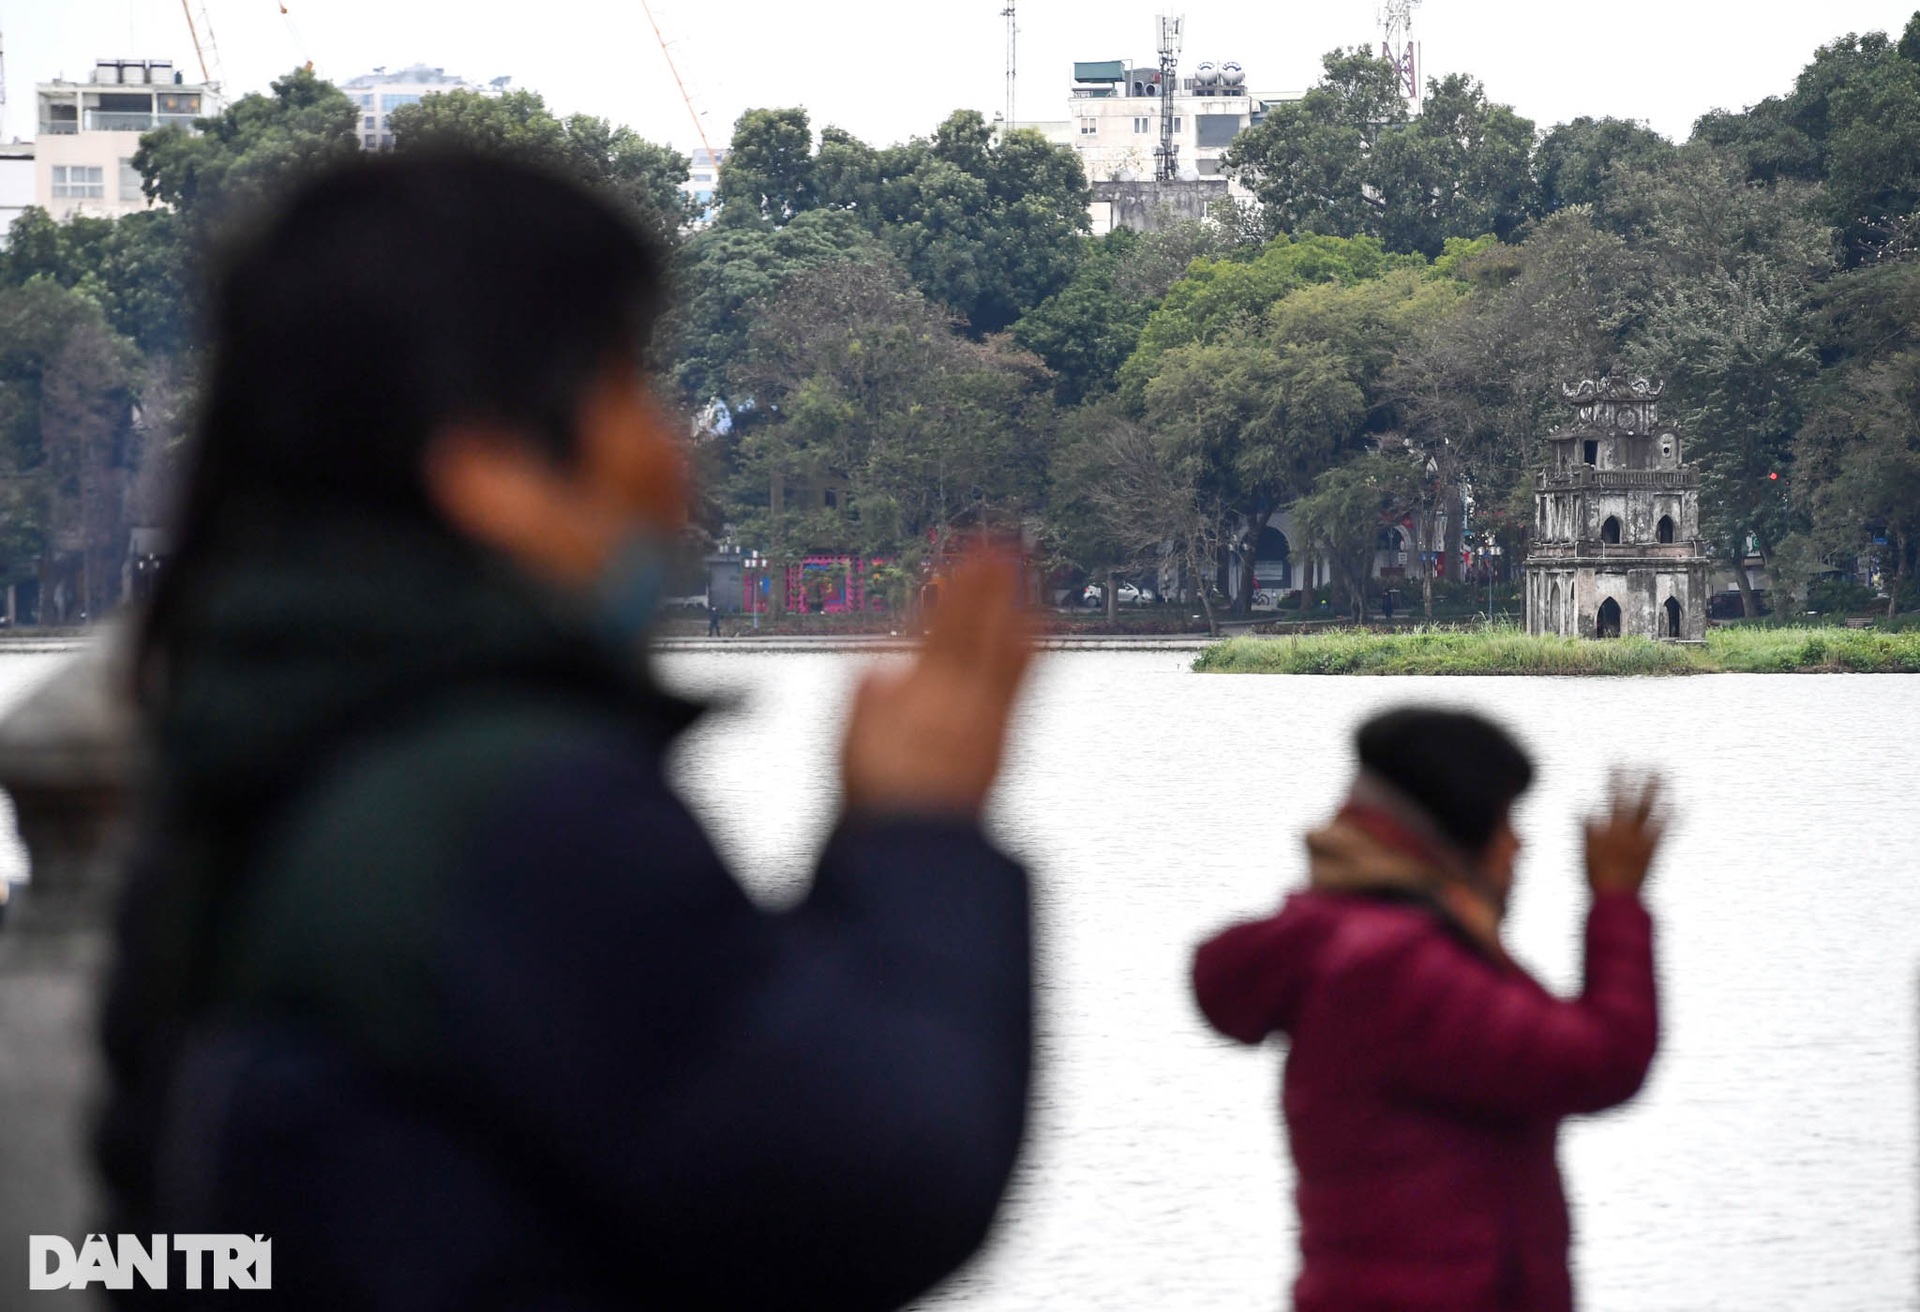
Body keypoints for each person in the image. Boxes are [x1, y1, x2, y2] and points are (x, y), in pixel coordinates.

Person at [96, 154, 1036, 1309]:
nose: (674, 461)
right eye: (628, 385)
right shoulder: (505, 806)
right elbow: (870, 1181)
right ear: (493, 468)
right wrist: (921, 835)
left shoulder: (272, 751)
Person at [1191, 708, 1663, 1312]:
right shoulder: (1391, 967)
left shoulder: (1352, 935)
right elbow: (1598, 1059)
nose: (1519, 845)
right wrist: (1618, 901)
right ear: (1451, 834)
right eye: (1503, 822)